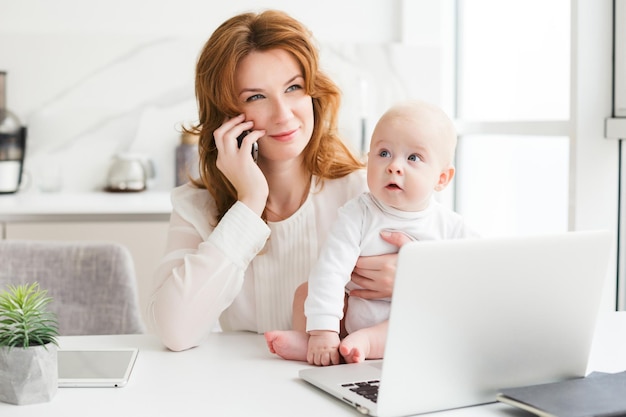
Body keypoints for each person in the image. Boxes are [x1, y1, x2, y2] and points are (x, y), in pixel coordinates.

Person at [147, 10, 412, 352]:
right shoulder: (196, 207)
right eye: (256, 97)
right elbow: (175, 332)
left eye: (293, 88)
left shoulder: (365, 192)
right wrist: (250, 201)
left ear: (313, 93)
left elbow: (436, 313)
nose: (284, 114)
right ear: (227, 117)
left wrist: (410, 283)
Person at [265, 100, 479, 366]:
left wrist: (426, 277)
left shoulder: (450, 226)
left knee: (420, 316)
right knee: (306, 292)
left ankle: (365, 342)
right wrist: (323, 330)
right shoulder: (358, 213)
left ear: (442, 179)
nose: (394, 166)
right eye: (384, 153)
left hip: (403, 324)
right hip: (353, 311)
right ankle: (316, 341)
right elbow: (330, 270)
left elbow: (478, 272)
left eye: (413, 158)